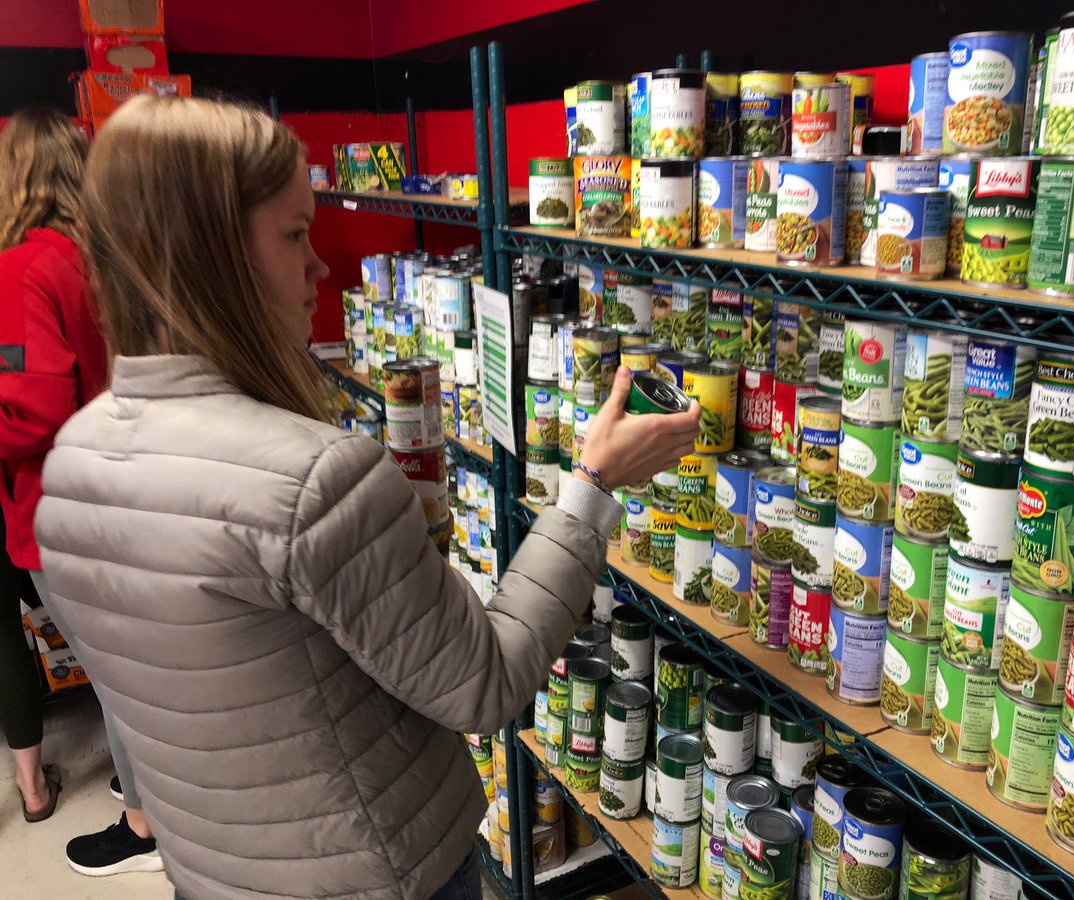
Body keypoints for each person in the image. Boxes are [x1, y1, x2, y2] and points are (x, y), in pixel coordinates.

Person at [34, 92, 699, 899]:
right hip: (379, 875)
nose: (320, 266)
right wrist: (592, 486)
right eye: (295, 234)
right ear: (212, 256)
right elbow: (484, 684)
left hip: (213, 873)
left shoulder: (70, 462)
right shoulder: (314, 479)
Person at [0, 109, 162, 875]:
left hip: (61, 507)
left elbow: (30, 411)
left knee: (113, 673)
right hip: (121, 490)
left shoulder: (23, 267)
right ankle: (147, 796)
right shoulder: (99, 256)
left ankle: (142, 826)